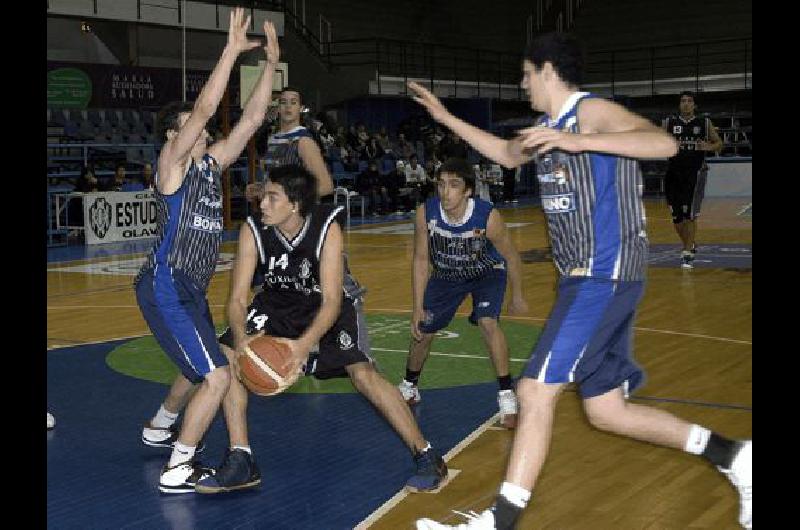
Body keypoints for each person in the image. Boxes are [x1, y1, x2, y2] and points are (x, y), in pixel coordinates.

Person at [409, 32, 751, 530]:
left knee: (533, 392)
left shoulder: (588, 113)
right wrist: (444, 118)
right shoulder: (545, 127)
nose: (522, 83)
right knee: (608, 412)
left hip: (603, 271)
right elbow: (506, 154)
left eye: (526, 74)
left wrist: (578, 140)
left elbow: (663, 143)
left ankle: (498, 522)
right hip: (584, 280)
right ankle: (735, 456)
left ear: (547, 70)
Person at [193, 164, 448, 494]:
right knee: (227, 355)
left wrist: (301, 347)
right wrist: (242, 340)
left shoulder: (327, 226)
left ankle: (427, 455)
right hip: (276, 302)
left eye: (272, 198)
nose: (263, 204)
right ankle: (241, 458)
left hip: (326, 302)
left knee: (362, 373)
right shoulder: (253, 228)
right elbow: (238, 299)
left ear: (295, 204)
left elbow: (330, 300)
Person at [135, 10, 281, 494]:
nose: (200, 131)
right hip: (166, 284)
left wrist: (270, 67)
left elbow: (255, 119)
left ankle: (160, 429)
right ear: (174, 137)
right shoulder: (171, 166)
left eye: (198, 131)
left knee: (206, 368)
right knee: (217, 378)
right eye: (188, 128)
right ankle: (178, 467)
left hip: (190, 291)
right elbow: (203, 110)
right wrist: (230, 50)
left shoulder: (209, 167)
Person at [397, 158, 527, 429]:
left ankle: (506, 395)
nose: (445, 191)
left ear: (468, 191)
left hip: (486, 273)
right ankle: (409, 386)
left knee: (487, 322)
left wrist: (517, 295)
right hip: (446, 275)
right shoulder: (426, 213)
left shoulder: (487, 216)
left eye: (454, 185)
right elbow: (421, 260)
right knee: (423, 328)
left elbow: (511, 256)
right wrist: (417, 306)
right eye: (441, 184)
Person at [663, 91, 723, 269]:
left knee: (690, 215)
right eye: (683, 101)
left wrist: (709, 146)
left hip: (695, 173)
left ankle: (687, 252)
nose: (686, 104)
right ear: (679, 104)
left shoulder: (703, 122)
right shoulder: (669, 123)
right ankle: (690, 244)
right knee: (676, 217)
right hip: (674, 173)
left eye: (690, 101)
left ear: (694, 105)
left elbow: (719, 143)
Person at [256, 86, 334, 203]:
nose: (288, 106)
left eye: (293, 102)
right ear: (278, 108)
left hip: (295, 216)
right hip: (273, 213)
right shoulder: (271, 139)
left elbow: (326, 186)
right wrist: (259, 189)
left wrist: (292, 200)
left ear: (301, 108)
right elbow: (273, 181)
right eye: (283, 102)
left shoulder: (304, 141)